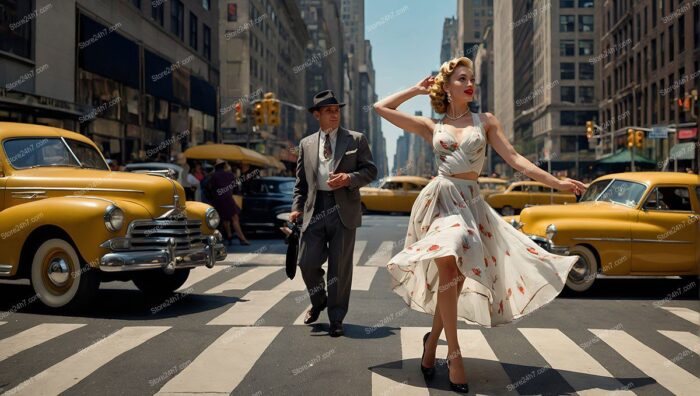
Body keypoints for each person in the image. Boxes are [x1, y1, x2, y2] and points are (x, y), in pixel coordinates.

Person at [374, 57, 587, 393]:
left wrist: (558, 183)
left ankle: (431, 348)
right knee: (450, 256)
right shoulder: (433, 126)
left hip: (470, 204)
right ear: (446, 87)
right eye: (461, 78)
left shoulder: (485, 121)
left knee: (453, 278)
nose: (470, 83)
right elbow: (380, 107)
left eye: (471, 78)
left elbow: (516, 160)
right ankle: (454, 356)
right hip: (440, 202)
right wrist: (415, 90)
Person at [290, 89, 378, 337]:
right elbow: (301, 183)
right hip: (314, 208)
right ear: (316, 114)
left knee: (339, 269)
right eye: (328, 111)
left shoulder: (356, 140)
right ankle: (319, 302)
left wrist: (349, 178)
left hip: (344, 209)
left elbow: (371, 171)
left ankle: (337, 318)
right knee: (306, 263)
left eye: (337, 110)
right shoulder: (306, 144)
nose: (334, 115)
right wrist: (296, 208)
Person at [208, 159, 250, 246]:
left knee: (224, 218)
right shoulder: (230, 174)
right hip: (228, 198)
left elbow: (210, 188)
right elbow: (236, 187)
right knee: (235, 218)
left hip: (218, 199)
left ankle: (229, 236)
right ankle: (242, 239)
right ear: (224, 166)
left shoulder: (213, 175)